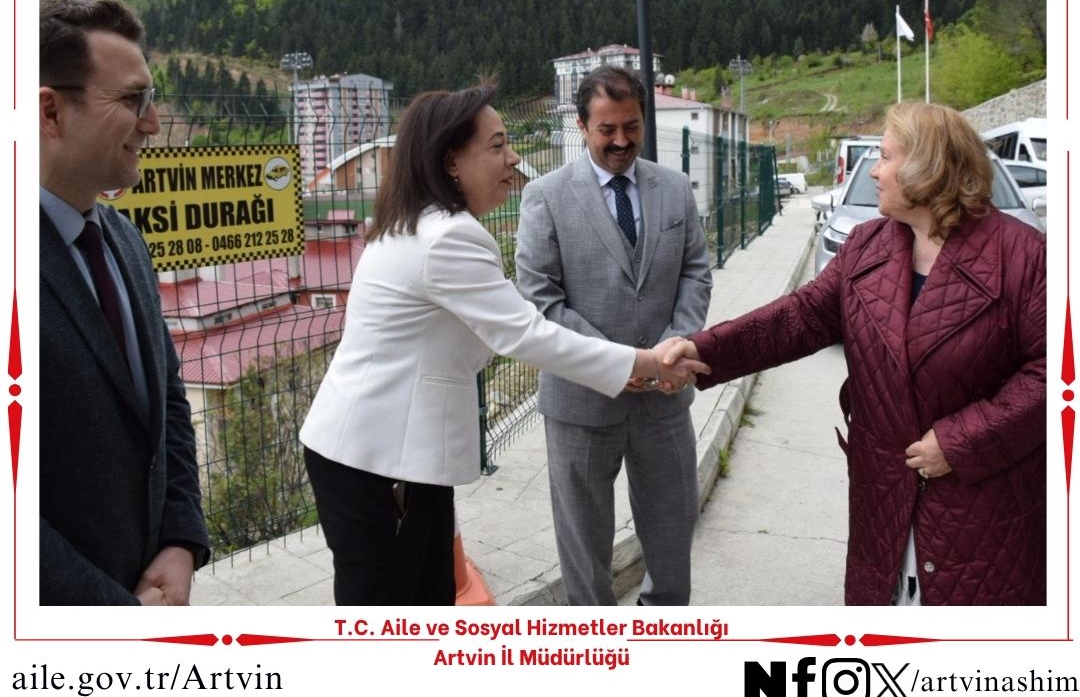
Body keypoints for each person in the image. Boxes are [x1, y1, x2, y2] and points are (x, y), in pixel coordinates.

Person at [299, 84, 706, 605]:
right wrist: (645, 363)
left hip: (391, 457)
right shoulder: (448, 238)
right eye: (496, 146)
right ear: (451, 161)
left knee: (424, 600)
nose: (513, 158)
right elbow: (526, 332)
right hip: (377, 461)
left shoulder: (423, 224)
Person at [665, 101, 1045, 605]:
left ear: (927, 168)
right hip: (882, 498)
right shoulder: (868, 246)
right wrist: (702, 349)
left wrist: (961, 442)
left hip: (986, 513)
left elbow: (1054, 374)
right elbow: (799, 318)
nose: (873, 171)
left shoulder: (1025, 256)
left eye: (885, 157)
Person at [515, 65, 713, 605]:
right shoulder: (545, 196)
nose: (621, 140)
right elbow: (541, 299)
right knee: (584, 556)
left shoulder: (674, 189)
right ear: (581, 126)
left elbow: (696, 273)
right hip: (581, 404)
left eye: (632, 126)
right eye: (607, 129)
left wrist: (674, 346)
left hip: (666, 400)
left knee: (673, 538)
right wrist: (619, 363)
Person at [39, 0, 209, 605]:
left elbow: (168, 401)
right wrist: (116, 614)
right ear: (50, 111)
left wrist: (181, 540)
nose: (153, 123)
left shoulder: (125, 240)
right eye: (133, 99)